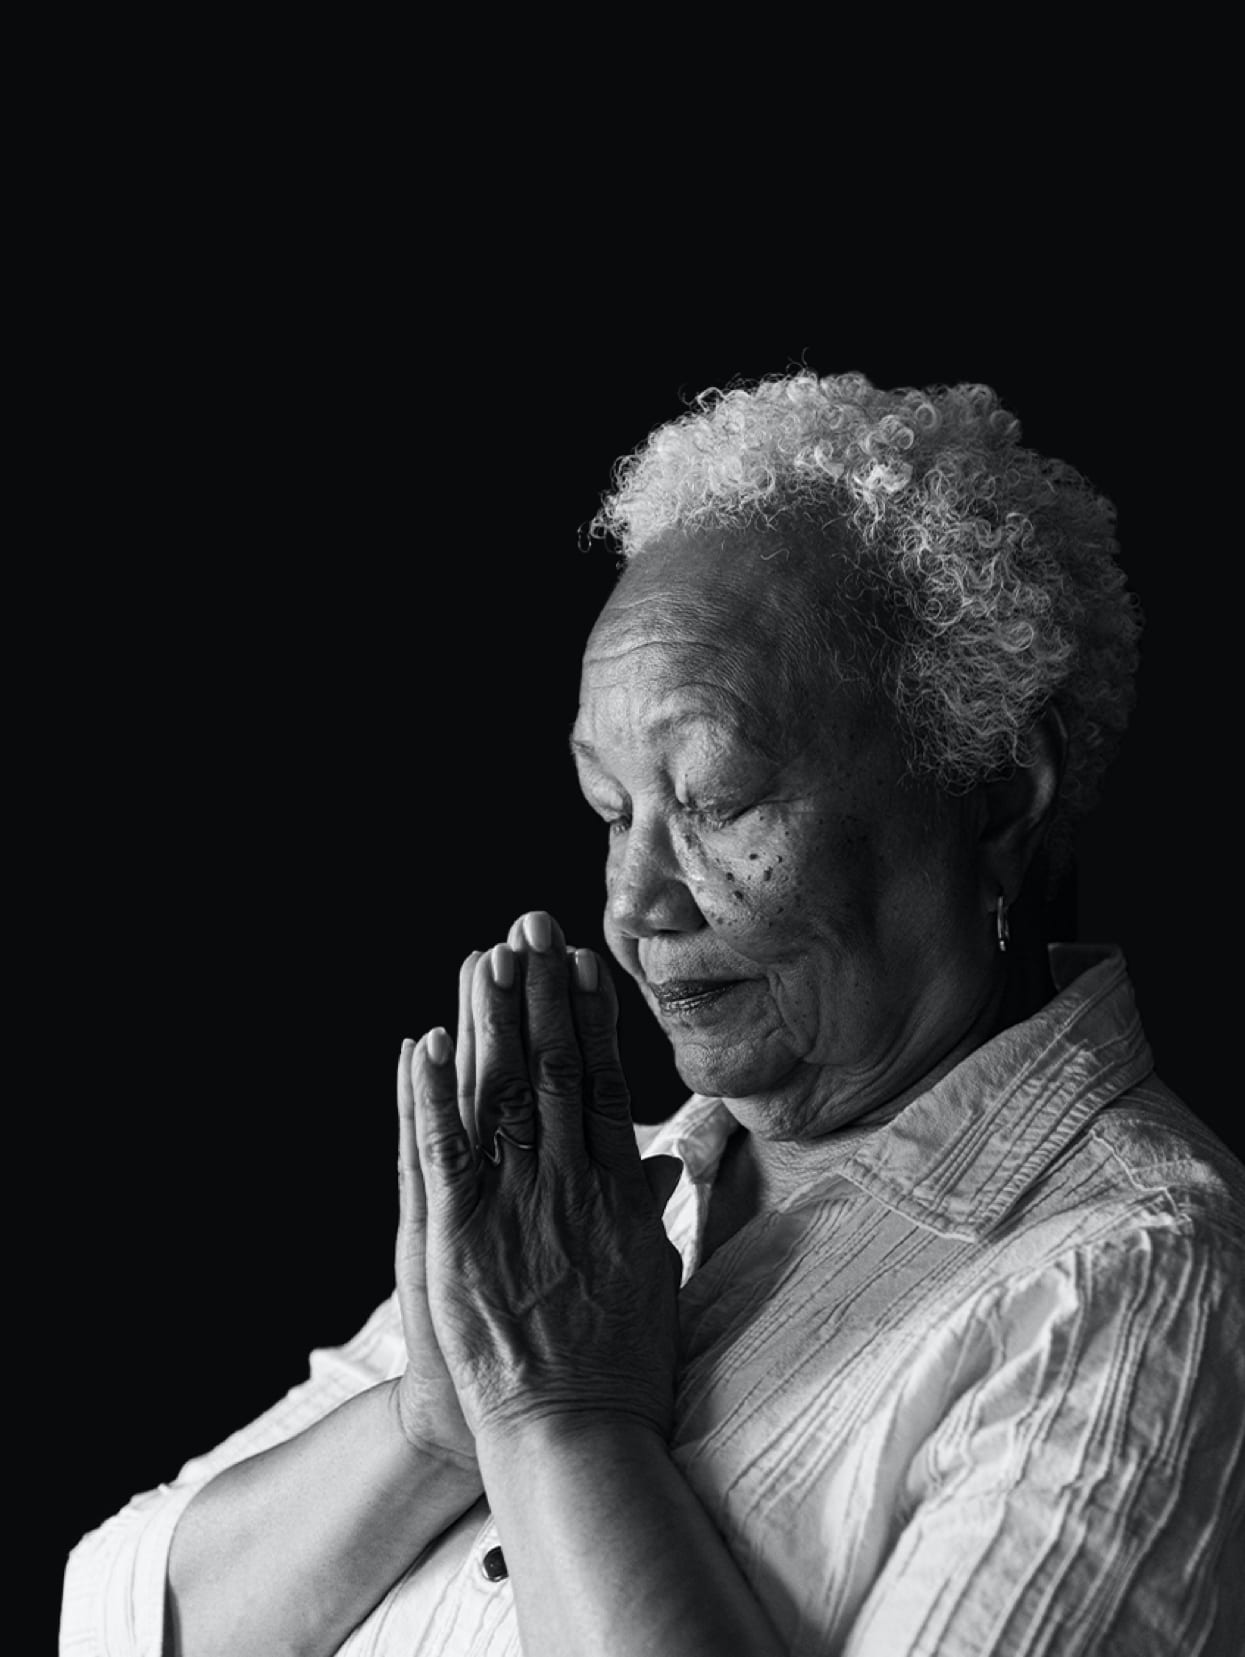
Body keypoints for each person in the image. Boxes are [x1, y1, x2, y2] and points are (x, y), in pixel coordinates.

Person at [61, 371, 1245, 1656]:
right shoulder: (594, 1208)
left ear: (995, 792)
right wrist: (431, 1426)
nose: (633, 905)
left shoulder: (1132, 1291)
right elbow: (123, 1611)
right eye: (611, 812)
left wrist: (559, 1421)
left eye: (721, 797)